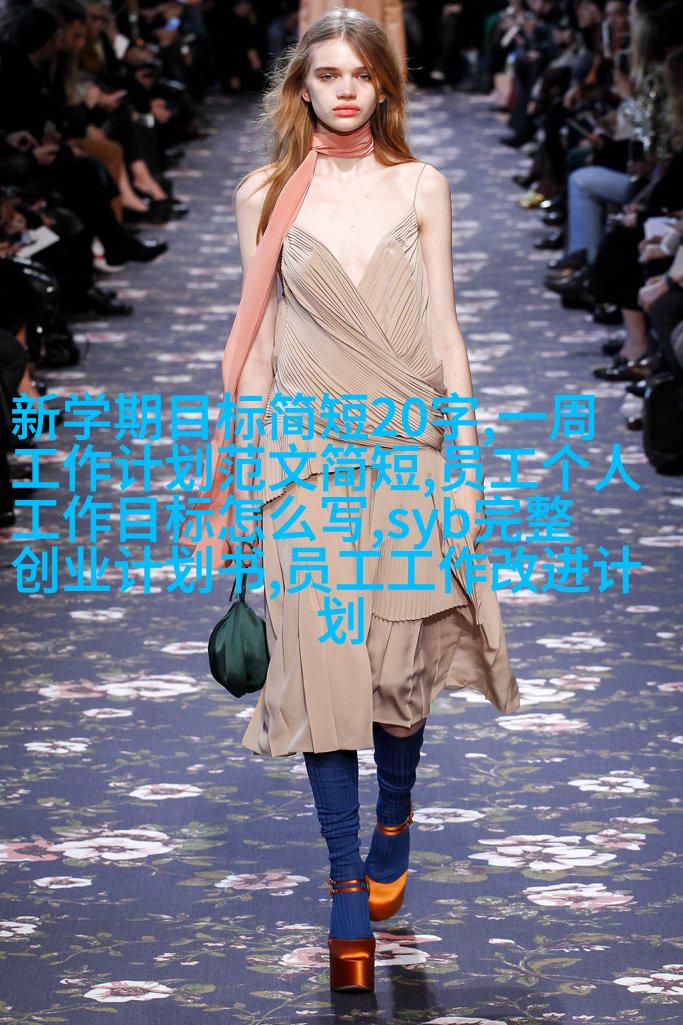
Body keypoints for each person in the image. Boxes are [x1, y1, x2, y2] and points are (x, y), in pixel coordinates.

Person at [179, 6, 521, 994]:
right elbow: (258, 347)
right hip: (304, 460)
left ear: (382, 87)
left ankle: (394, 814)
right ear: (300, 87)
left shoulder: (421, 185)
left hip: (410, 455)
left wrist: (465, 464)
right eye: (324, 74)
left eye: (359, 75)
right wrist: (243, 480)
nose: (342, 89)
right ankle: (341, 887)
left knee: (400, 677)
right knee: (322, 673)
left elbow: (447, 331)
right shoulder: (264, 194)